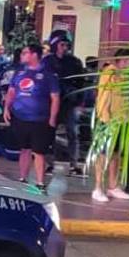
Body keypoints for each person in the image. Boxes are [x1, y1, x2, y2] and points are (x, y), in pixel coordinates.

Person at [3, 43, 60, 192]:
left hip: (39, 119)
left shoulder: (48, 75)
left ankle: (40, 183)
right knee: (24, 149)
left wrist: (52, 118)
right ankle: (22, 178)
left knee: (39, 152)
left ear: (34, 55)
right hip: (20, 118)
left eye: (25, 53)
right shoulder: (19, 73)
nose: (22, 56)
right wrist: (6, 108)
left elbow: (55, 98)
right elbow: (11, 92)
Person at [92, 54, 129, 203]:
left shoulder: (126, 76)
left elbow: (127, 98)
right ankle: (98, 188)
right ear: (120, 60)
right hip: (107, 121)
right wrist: (105, 118)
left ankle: (113, 186)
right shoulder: (109, 73)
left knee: (116, 154)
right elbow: (104, 96)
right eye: (128, 60)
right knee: (103, 155)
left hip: (120, 121)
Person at [43, 34, 87, 175]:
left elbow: (81, 83)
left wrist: (80, 102)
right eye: (61, 45)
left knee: (73, 132)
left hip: (70, 102)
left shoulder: (74, 62)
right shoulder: (47, 62)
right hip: (52, 102)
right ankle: (50, 163)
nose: (64, 48)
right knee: (50, 132)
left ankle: (74, 164)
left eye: (66, 45)